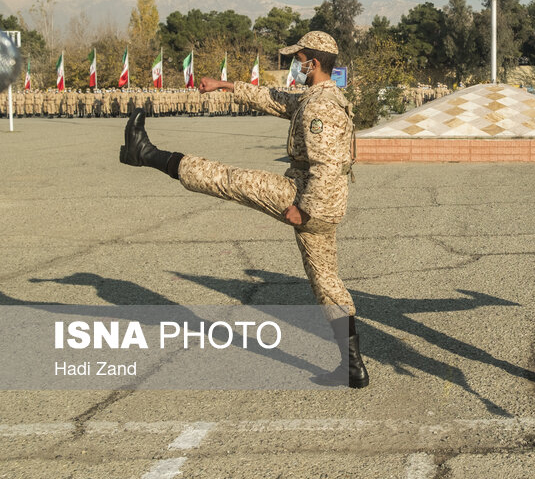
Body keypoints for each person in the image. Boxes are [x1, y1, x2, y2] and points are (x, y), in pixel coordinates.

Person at [119, 31, 368, 388]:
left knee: (228, 178)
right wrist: (226, 85)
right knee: (326, 283)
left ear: (313, 63)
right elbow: (275, 98)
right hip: (324, 204)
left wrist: (304, 211)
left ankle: (143, 152)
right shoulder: (320, 96)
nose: (294, 66)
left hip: (307, 198)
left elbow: (327, 166)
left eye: (298, 60)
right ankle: (353, 368)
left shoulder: (320, 106)